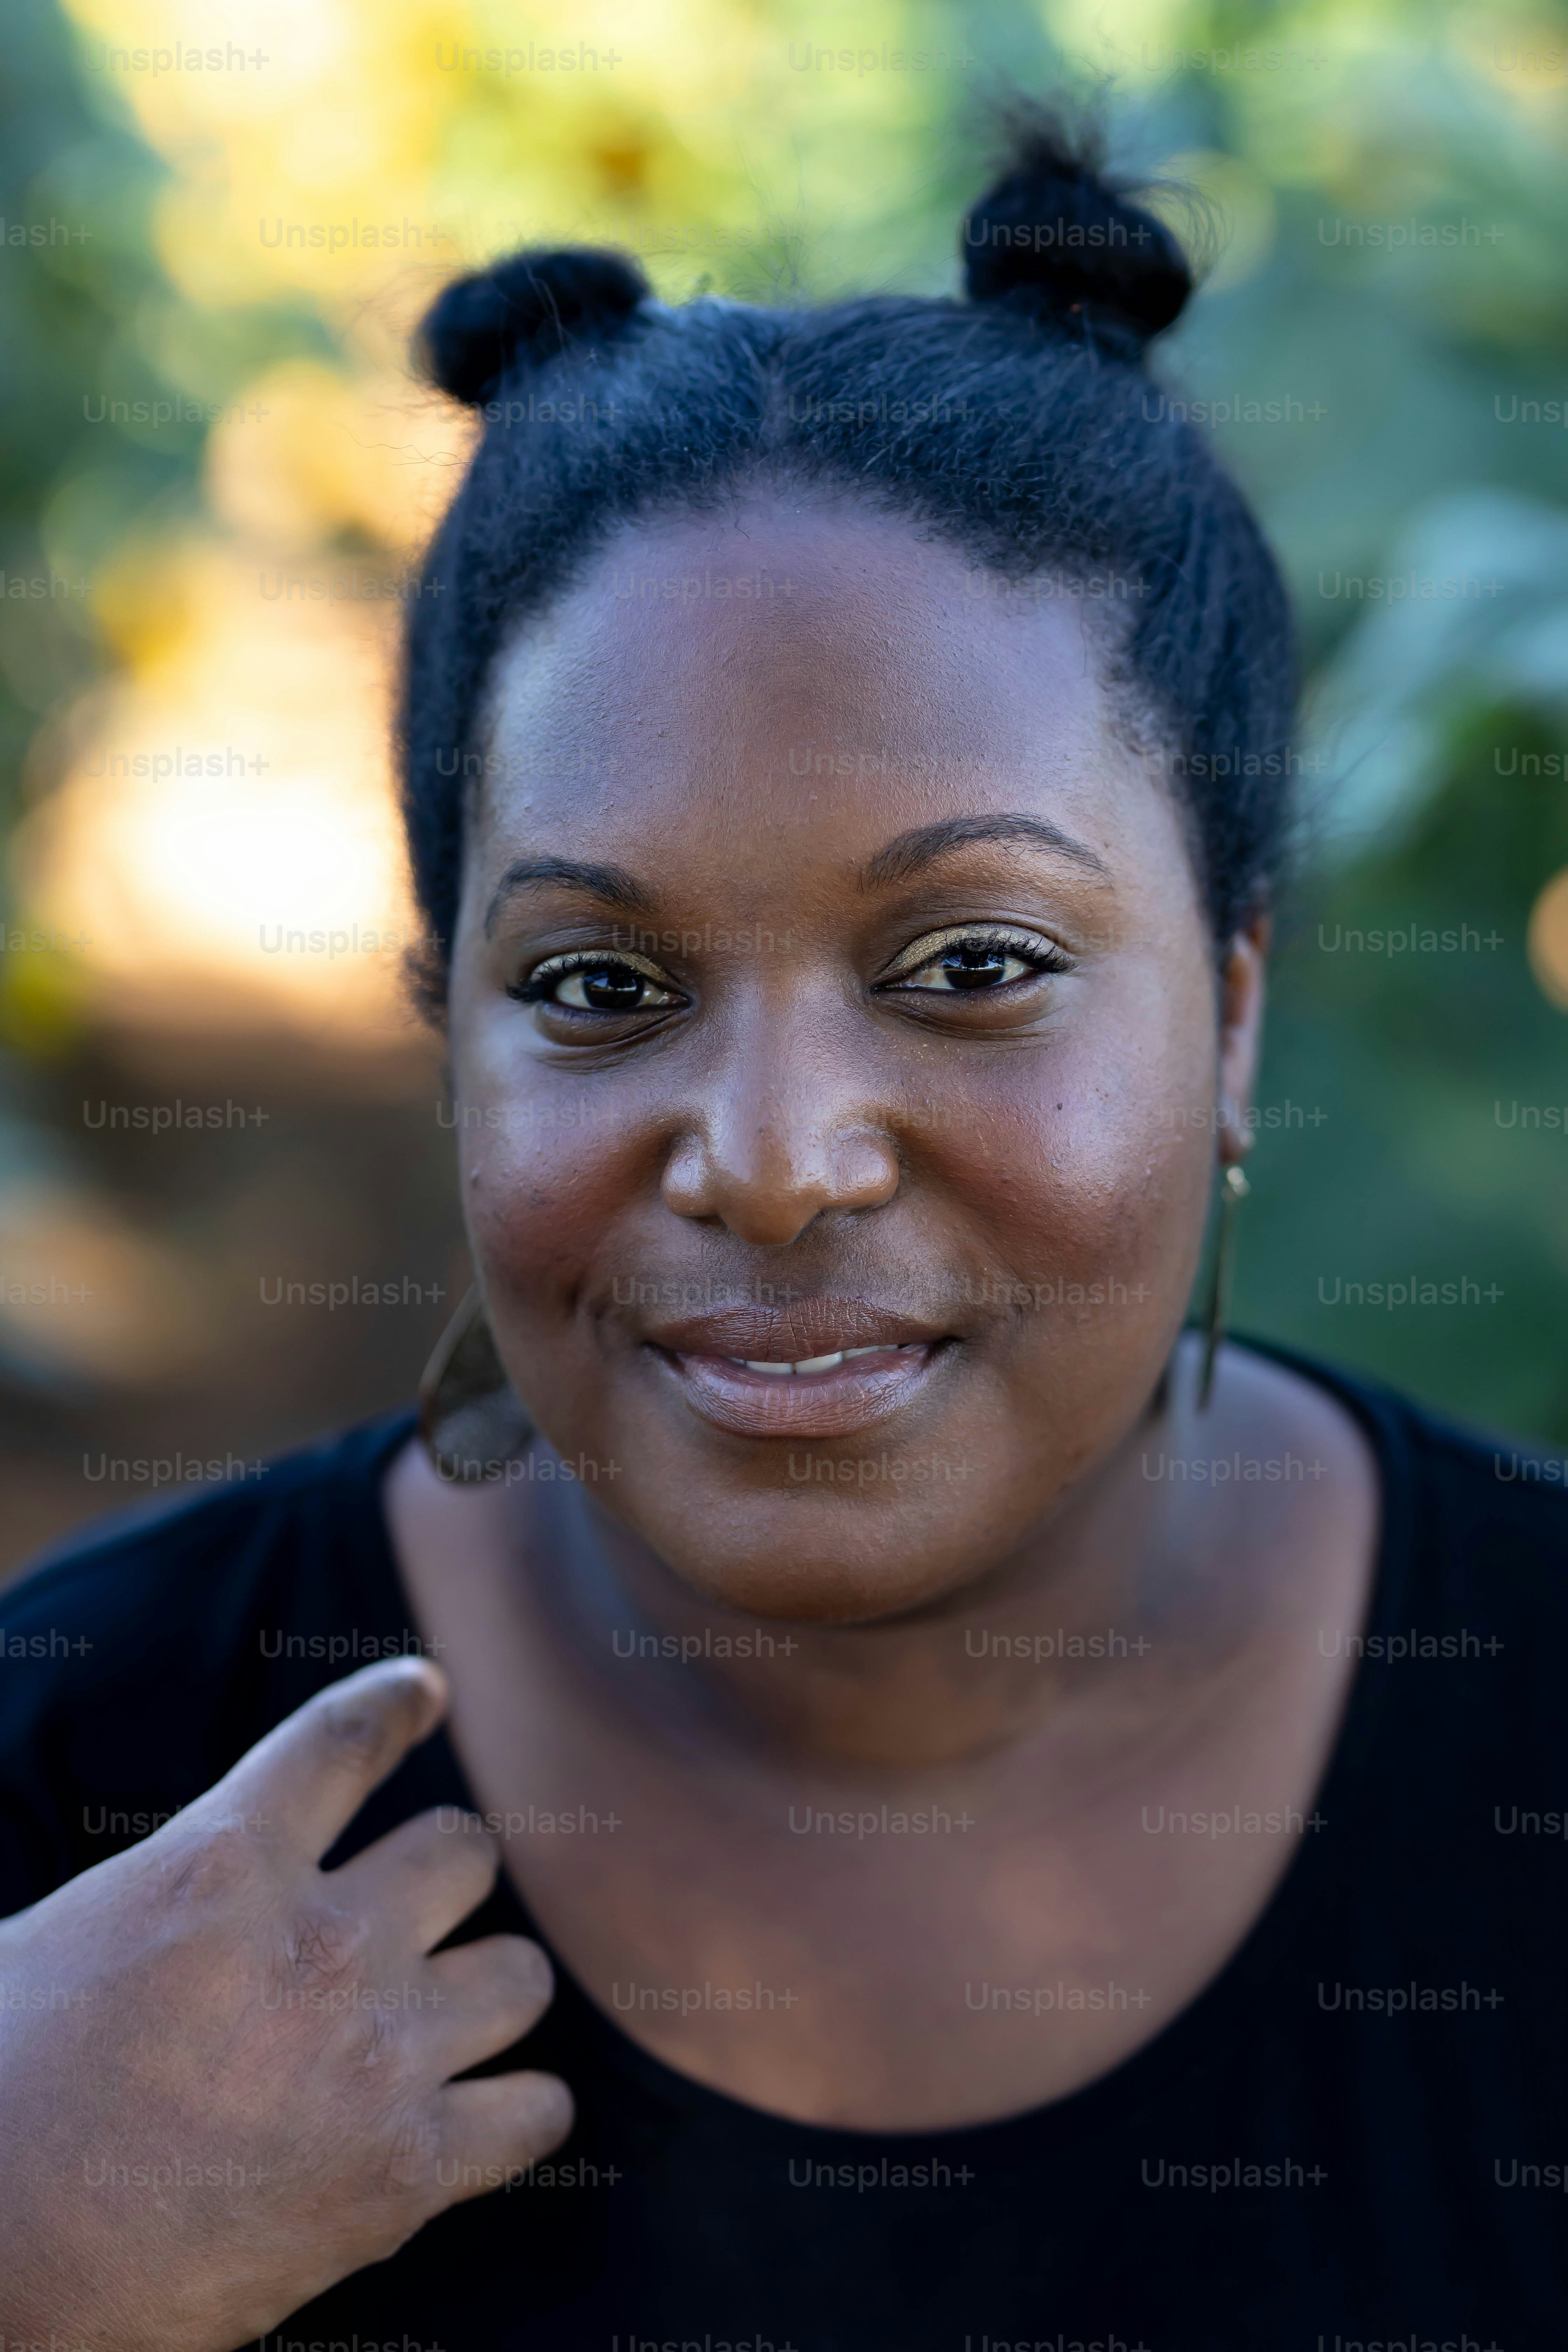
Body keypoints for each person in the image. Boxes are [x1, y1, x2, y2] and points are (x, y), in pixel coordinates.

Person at [0, 113, 1562, 2352]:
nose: (775, 1159)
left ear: (1226, 1017)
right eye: (599, 991)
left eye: (974, 965)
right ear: (453, 1041)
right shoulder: (86, 1803)